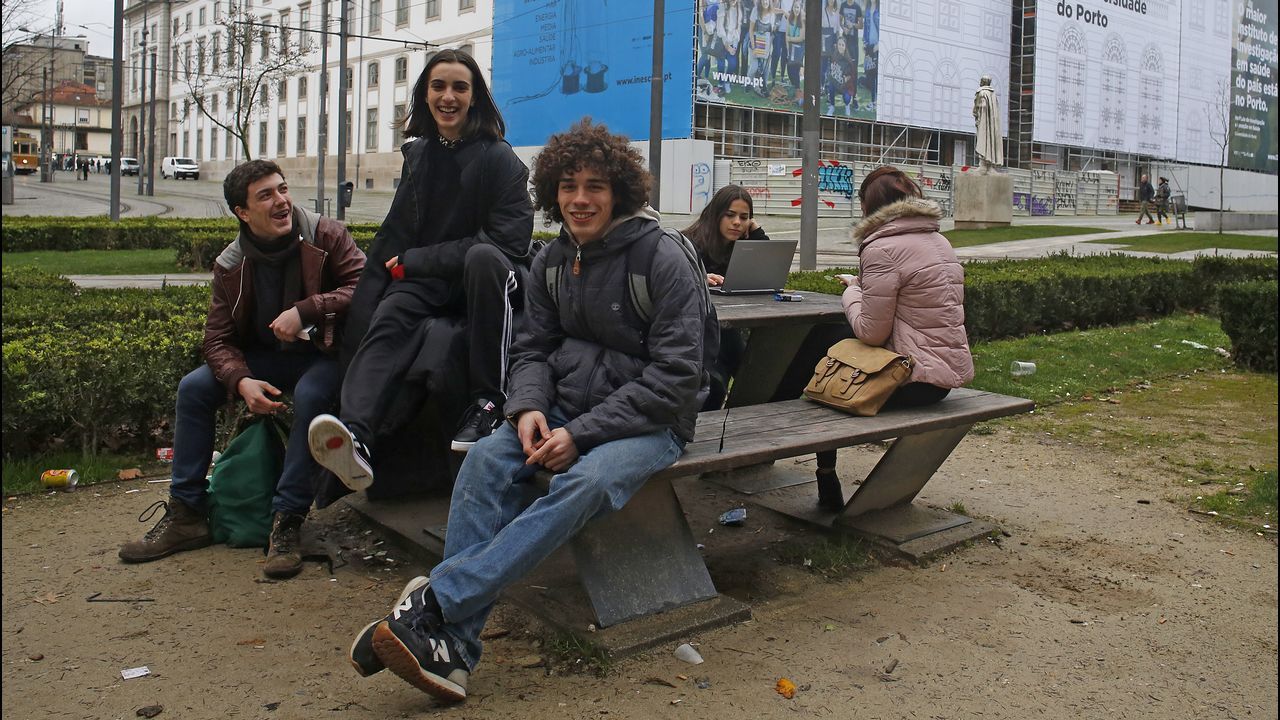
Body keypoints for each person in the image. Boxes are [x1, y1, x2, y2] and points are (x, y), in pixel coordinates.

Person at [345, 119, 710, 703]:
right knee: (485, 461)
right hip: (563, 410)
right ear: (552, 192)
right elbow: (532, 349)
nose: (580, 199)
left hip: (653, 423)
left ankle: (435, 601)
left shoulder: (661, 257)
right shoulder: (551, 262)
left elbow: (677, 377)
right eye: (568, 186)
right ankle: (452, 651)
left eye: (594, 186)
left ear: (619, 190)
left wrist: (582, 434)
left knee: (585, 481)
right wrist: (528, 408)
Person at [118, 159, 366, 579]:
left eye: (282, 189)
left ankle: (287, 521)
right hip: (264, 360)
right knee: (194, 388)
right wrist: (241, 380)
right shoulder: (230, 264)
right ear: (243, 212)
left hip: (324, 356)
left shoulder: (327, 234)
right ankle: (187, 514)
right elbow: (216, 340)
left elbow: (364, 287)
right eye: (266, 195)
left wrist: (306, 309)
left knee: (311, 397)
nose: (282, 201)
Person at [307, 49, 534, 494]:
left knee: (480, 260)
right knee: (389, 316)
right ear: (425, 95)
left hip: (488, 282)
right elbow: (392, 241)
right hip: (429, 283)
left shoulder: (499, 158)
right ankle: (356, 439)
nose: (448, 96)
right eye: (438, 86)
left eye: (459, 87)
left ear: (475, 98)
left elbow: (508, 241)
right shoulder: (421, 155)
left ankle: (486, 402)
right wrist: (363, 317)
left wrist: (417, 262)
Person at [818, 166, 974, 509]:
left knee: (823, 373)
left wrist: (852, 292)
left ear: (869, 208)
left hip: (908, 380)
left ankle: (825, 476)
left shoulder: (881, 250)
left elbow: (871, 334)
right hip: (941, 380)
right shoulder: (939, 240)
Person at [683, 184, 766, 409]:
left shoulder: (740, 245)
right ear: (715, 215)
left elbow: (767, 265)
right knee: (726, 372)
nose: (737, 222)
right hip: (698, 334)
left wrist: (756, 230)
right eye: (730, 215)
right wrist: (699, 276)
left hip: (729, 329)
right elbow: (672, 279)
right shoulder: (689, 243)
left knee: (757, 374)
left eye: (744, 217)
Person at [973, 75, 1003, 170]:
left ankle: (983, 164)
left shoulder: (981, 93)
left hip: (983, 122)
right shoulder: (992, 94)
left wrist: (978, 116)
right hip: (992, 125)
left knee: (983, 139)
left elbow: (979, 108)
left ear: (982, 82)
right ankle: (989, 164)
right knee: (990, 140)